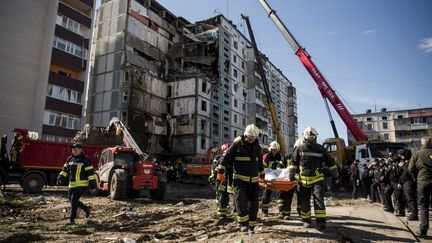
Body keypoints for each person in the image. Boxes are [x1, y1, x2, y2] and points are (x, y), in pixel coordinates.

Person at [218, 124, 264, 233]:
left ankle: (251, 225)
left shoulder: (258, 147)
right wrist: (221, 170)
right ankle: (243, 224)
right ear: (245, 135)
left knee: (254, 203)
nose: (252, 139)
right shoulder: (237, 144)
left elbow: (260, 162)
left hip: (254, 180)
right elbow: (226, 158)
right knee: (241, 201)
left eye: (254, 137)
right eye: (250, 137)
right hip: (239, 179)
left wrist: (262, 174)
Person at [291, 127, 338, 230]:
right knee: (304, 202)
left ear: (315, 137)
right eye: (309, 138)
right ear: (305, 138)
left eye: (312, 138)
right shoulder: (299, 149)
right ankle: (306, 221)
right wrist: (291, 175)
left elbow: (330, 162)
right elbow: (294, 163)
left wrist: (335, 175)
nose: (310, 140)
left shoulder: (321, 149)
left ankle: (321, 222)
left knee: (319, 201)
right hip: (303, 180)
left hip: (317, 179)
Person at [57, 143, 96, 225]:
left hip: (82, 184)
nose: (74, 151)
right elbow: (65, 170)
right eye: (73, 150)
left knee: (74, 200)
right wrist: (60, 177)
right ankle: (86, 209)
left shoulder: (85, 159)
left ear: (80, 150)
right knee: (72, 201)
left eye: (76, 150)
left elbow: (90, 172)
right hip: (72, 184)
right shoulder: (70, 159)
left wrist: (92, 183)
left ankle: (72, 219)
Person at [409, 136, 432, 237]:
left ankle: (423, 230)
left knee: (423, 206)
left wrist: (416, 178)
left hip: (422, 182)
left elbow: (411, 168)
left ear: (422, 143)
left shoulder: (417, 153)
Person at [261, 141, 282, 216]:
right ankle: (264, 210)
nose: (274, 151)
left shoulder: (279, 156)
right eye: (273, 149)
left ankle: (281, 209)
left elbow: (280, 166)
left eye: (276, 150)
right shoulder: (266, 156)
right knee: (267, 192)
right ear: (270, 149)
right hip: (268, 176)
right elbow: (262, 167)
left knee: (280, 191)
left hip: (276, 176)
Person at [212, 143, 232, 222]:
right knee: (222, 196)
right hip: (221, 181)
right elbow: (216, 170)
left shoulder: (231, 159)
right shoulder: (220, 159)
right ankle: (222, 215)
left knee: (225, 196)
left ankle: (224, 212)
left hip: (228, 180)